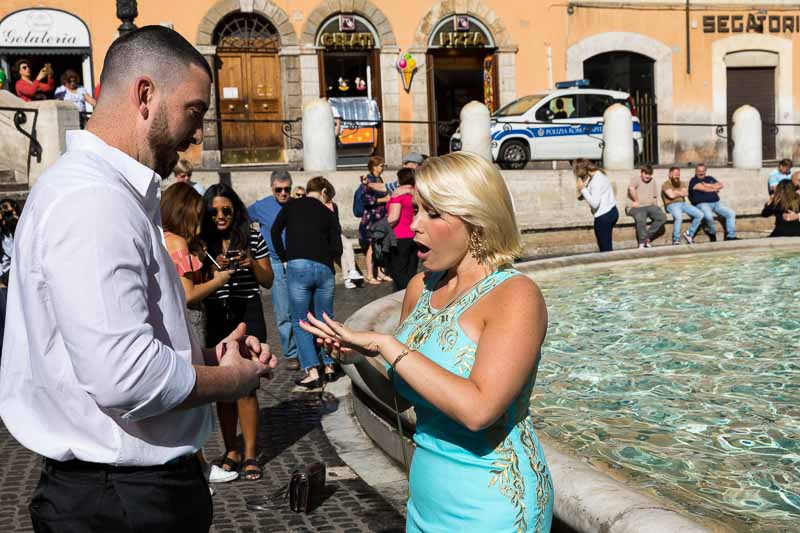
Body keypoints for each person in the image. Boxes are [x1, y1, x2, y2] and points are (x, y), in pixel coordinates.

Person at [0, 26, 277, 533]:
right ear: (145, 95)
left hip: (121, 491)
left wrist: (209, 358)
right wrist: (228, 381)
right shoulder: (93, 199)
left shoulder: (104, 193)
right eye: (194, 111)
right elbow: (124, 377)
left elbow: (122, 346)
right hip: (119, 499)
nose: (198, 135)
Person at [300, 152, 553, 532]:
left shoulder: (515, 295)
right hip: (425, 499)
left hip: (494, 505)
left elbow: (479, 409)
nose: (414, 225)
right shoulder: (420, 287)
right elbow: (404, 398)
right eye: (416, 209)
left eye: (432, 213)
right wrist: (353, 358)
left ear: (476, 219)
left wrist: (387, 345)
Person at [160, 182, 239, 487]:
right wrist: (221, 279)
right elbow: (189, 294)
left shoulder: (163, 237)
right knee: (195, 392)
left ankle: (198, 463)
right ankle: (200, 466)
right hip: (189, 320)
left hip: (174, 319)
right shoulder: (177, 242)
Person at [201, 183, 274, 482]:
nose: (220, 216)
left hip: (247, 310)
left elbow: (268, 280)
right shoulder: (201, 241)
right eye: (214, 211)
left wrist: (251, 264)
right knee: (222, 388)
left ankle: (251, 452)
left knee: (246, 386)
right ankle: (230, 449)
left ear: (236, 210)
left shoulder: (252, 236)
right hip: (216, 314)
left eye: (226, 210)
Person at [272, 177, 343, 388]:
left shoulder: (291, 206)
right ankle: (329, 366)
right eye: (328, 196)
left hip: (298, 265)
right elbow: (337, 249)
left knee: (301, 320)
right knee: (325, 319)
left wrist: (285, 256)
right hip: (324, 269)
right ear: (323, 191)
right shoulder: (328, 214)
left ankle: (312, 371)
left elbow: (275, 231)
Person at [247, 170, 300, 370]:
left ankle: (308, 350)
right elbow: (241, 219)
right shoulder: (261, 207)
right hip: (275, 263)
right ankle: (291, 353)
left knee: (302, 308)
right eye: (279, 190)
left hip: (296, 260)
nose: (284, 193)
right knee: (283, 311)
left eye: (287, 189)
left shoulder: (296, 205)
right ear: (272, 188)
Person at [320, 182, 363, 290]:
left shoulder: (334, 205)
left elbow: (336, 222)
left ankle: (347, 279)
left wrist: (340, 233)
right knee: (347, 244)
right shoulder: (318, 206)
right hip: (324, 235)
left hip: (335, 233)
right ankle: (352, 271)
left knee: (343, 252)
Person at [359, 155, 391, 284]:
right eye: (381, 165)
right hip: (372, 218)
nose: (383, 168)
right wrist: (385, 199)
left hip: (380, 216)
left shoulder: (378, 178)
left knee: (380, 244)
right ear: (374, 167)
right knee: (372, 246)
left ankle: (380, 273)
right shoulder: (368, 180)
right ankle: (370, 275)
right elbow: (366, 200)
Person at [574, 158, 618, 252]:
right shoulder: (599, 174)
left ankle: (609, 264)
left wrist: (582, 189)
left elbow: (594, 204)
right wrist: (583, 194)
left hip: (603, 216)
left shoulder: (596, 181)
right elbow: (597, 193)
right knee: (607, 246)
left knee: (605, 249)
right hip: (612, 211)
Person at [688, 163, 737, 241]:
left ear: (705, 171)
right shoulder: (693, 180)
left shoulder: (709, 178)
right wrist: (714, 187)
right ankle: (712, 233)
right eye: (699, 171)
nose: (701, 173)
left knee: (731, 213)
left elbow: (721, 185)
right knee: (709, 217)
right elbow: (704, 189)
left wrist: (708, 185)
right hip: (702, 204)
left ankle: (731, 236)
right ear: (696, 171)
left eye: (703, 171)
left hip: (716, 203)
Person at [387, 168, 418, 291]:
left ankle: (403, 297)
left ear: (400, 179)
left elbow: (393, 218)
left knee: (398, 271)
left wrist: (381, 226)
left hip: (399, 236)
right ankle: (413, 296)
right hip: (414, 235)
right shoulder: (417, 194)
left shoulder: (397, 195)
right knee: (411, 269)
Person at [626, 165, 666, 248]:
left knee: (662, 217)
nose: (648, 176)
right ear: (641, 173)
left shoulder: (652, 181)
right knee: (641, 216)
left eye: (649, 174)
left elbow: (654, 196)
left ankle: (647, 237)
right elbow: (631, 188)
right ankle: (642, 242)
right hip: (635, 207)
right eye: (646, 173)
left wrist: (657, 207)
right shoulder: (636, 179)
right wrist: (636, 201)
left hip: (649, 206)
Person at [661, 166, 704, 245]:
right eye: (675, 174)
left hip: (683, 204)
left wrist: (675, 192)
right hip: (671, 204)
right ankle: (676, 239)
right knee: (679, 217)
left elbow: (686, 193)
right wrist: (679, 192)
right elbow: (671, 196)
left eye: (678, 174)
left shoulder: (682, 183)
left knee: (700, 214)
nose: (677, 176)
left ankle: (689, 234)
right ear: (670, 174)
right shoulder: (666, 184)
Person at [0, 198, 19, 359]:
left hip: (15, 282)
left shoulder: (18, 230)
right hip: (3, 284)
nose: (11, 215)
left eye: (14, 211)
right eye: (7, 212)